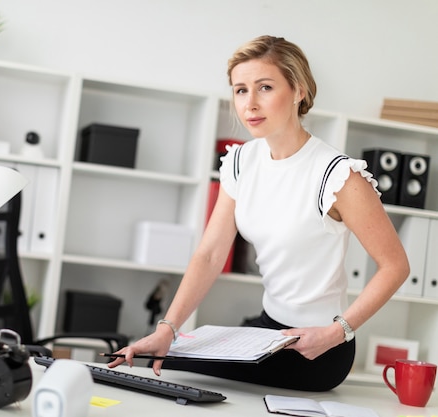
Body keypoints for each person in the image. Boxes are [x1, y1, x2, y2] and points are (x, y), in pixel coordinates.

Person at [108, 35, 410, 392]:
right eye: (240, 90)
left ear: (299, 90)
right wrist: (167, 327)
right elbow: (210, 254)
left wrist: (336, 332)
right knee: (164, 350)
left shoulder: (337, 175)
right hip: (268, 329)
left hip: (319, 348)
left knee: (172, 364)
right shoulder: (240, 162)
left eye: (264, 87)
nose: (249, 103)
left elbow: (395, 266)